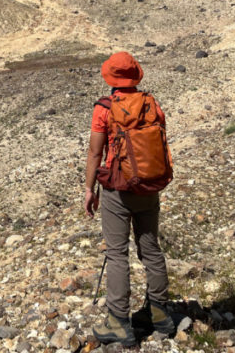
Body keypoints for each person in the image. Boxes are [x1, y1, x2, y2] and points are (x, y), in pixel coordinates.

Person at [83, 51, 175, 347]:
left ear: (111, 78)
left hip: (117, 191)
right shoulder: (151, 104)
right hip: (149, 187)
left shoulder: (105, 108)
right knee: (150, 249)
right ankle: (161, 315)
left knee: (117, 254)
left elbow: (96, 153)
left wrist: (89, 189)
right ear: (135, 75)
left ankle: (119, 323)